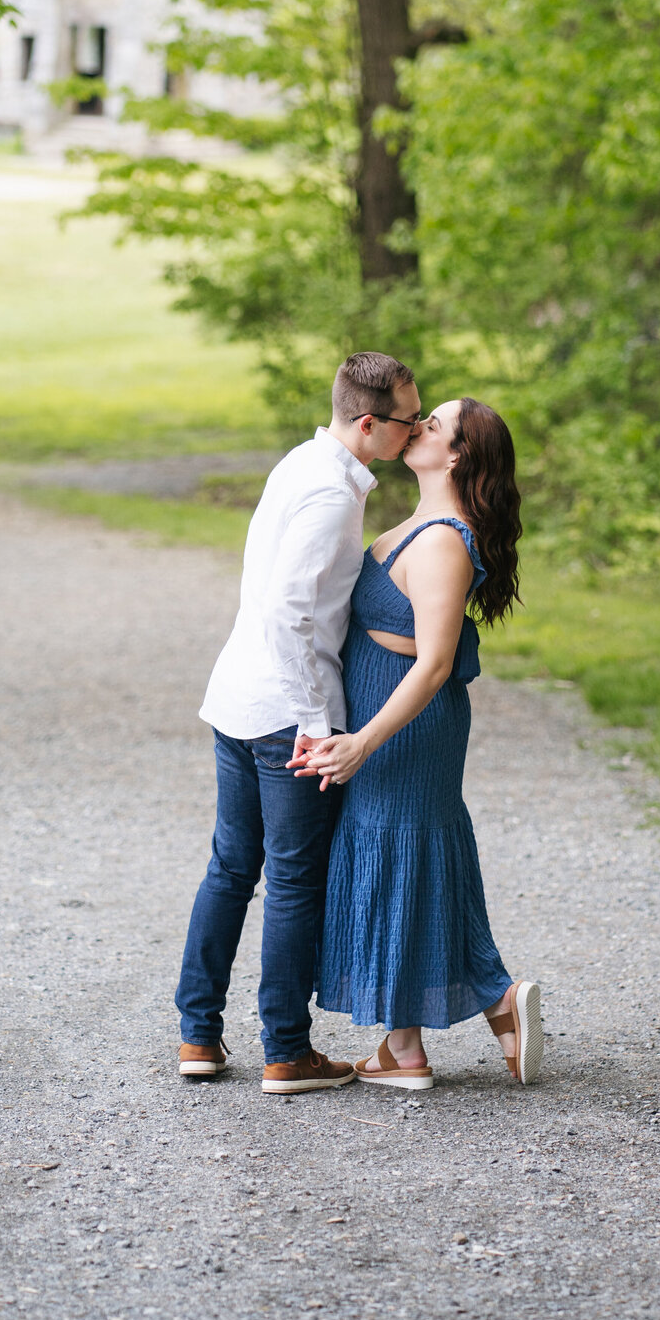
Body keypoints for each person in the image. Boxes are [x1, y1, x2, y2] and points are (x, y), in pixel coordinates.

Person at [174, 352, 421, 1094]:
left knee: (231, 868)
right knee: (291, 880)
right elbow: (288, 612)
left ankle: (198, 1036)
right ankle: (286, 1050)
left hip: (239, 696)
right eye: (408, 419)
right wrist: (317, 723)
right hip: (286, 714)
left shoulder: (304, 462)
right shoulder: (331, 498)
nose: (416, 429)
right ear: (369, 422)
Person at [291, 398, 542, 1091]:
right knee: (397, 857)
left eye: (434, 424)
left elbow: (433, 662)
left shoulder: (439, 541)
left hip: (404, 728)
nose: (419, 427)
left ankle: (475, 1004)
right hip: (383, 722)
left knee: (398, 853)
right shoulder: (421, 524)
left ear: (456, 454)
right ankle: (412, 1044)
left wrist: (363, 742)